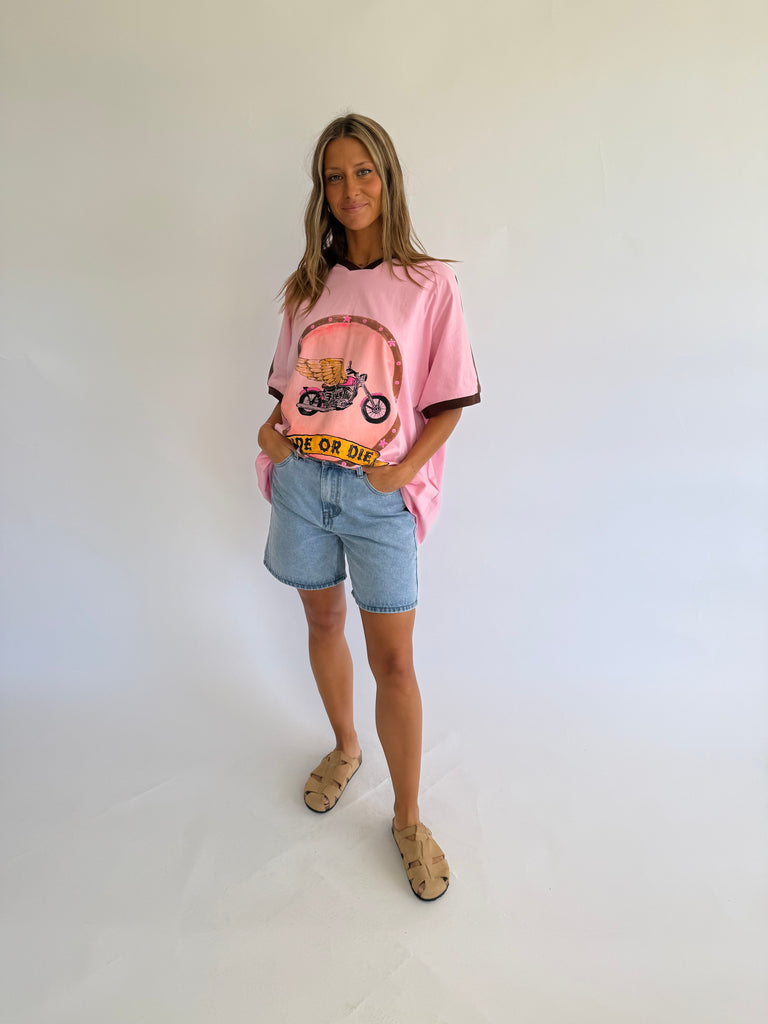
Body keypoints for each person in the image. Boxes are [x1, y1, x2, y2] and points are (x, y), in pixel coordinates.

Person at [255, 113, 480, 900]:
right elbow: (291, 390)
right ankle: (346, 747)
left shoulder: (429, 285)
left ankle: (408, 818)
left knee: (395, 662)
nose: (349, 188)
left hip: (379, 496)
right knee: (322, 623)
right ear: (321, 191)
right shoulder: (308, 287)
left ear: (387, 178)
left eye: (363, 171)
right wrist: (272, 435)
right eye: (333, 176)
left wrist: (403, 472)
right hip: (302, 484)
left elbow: (447, 402)